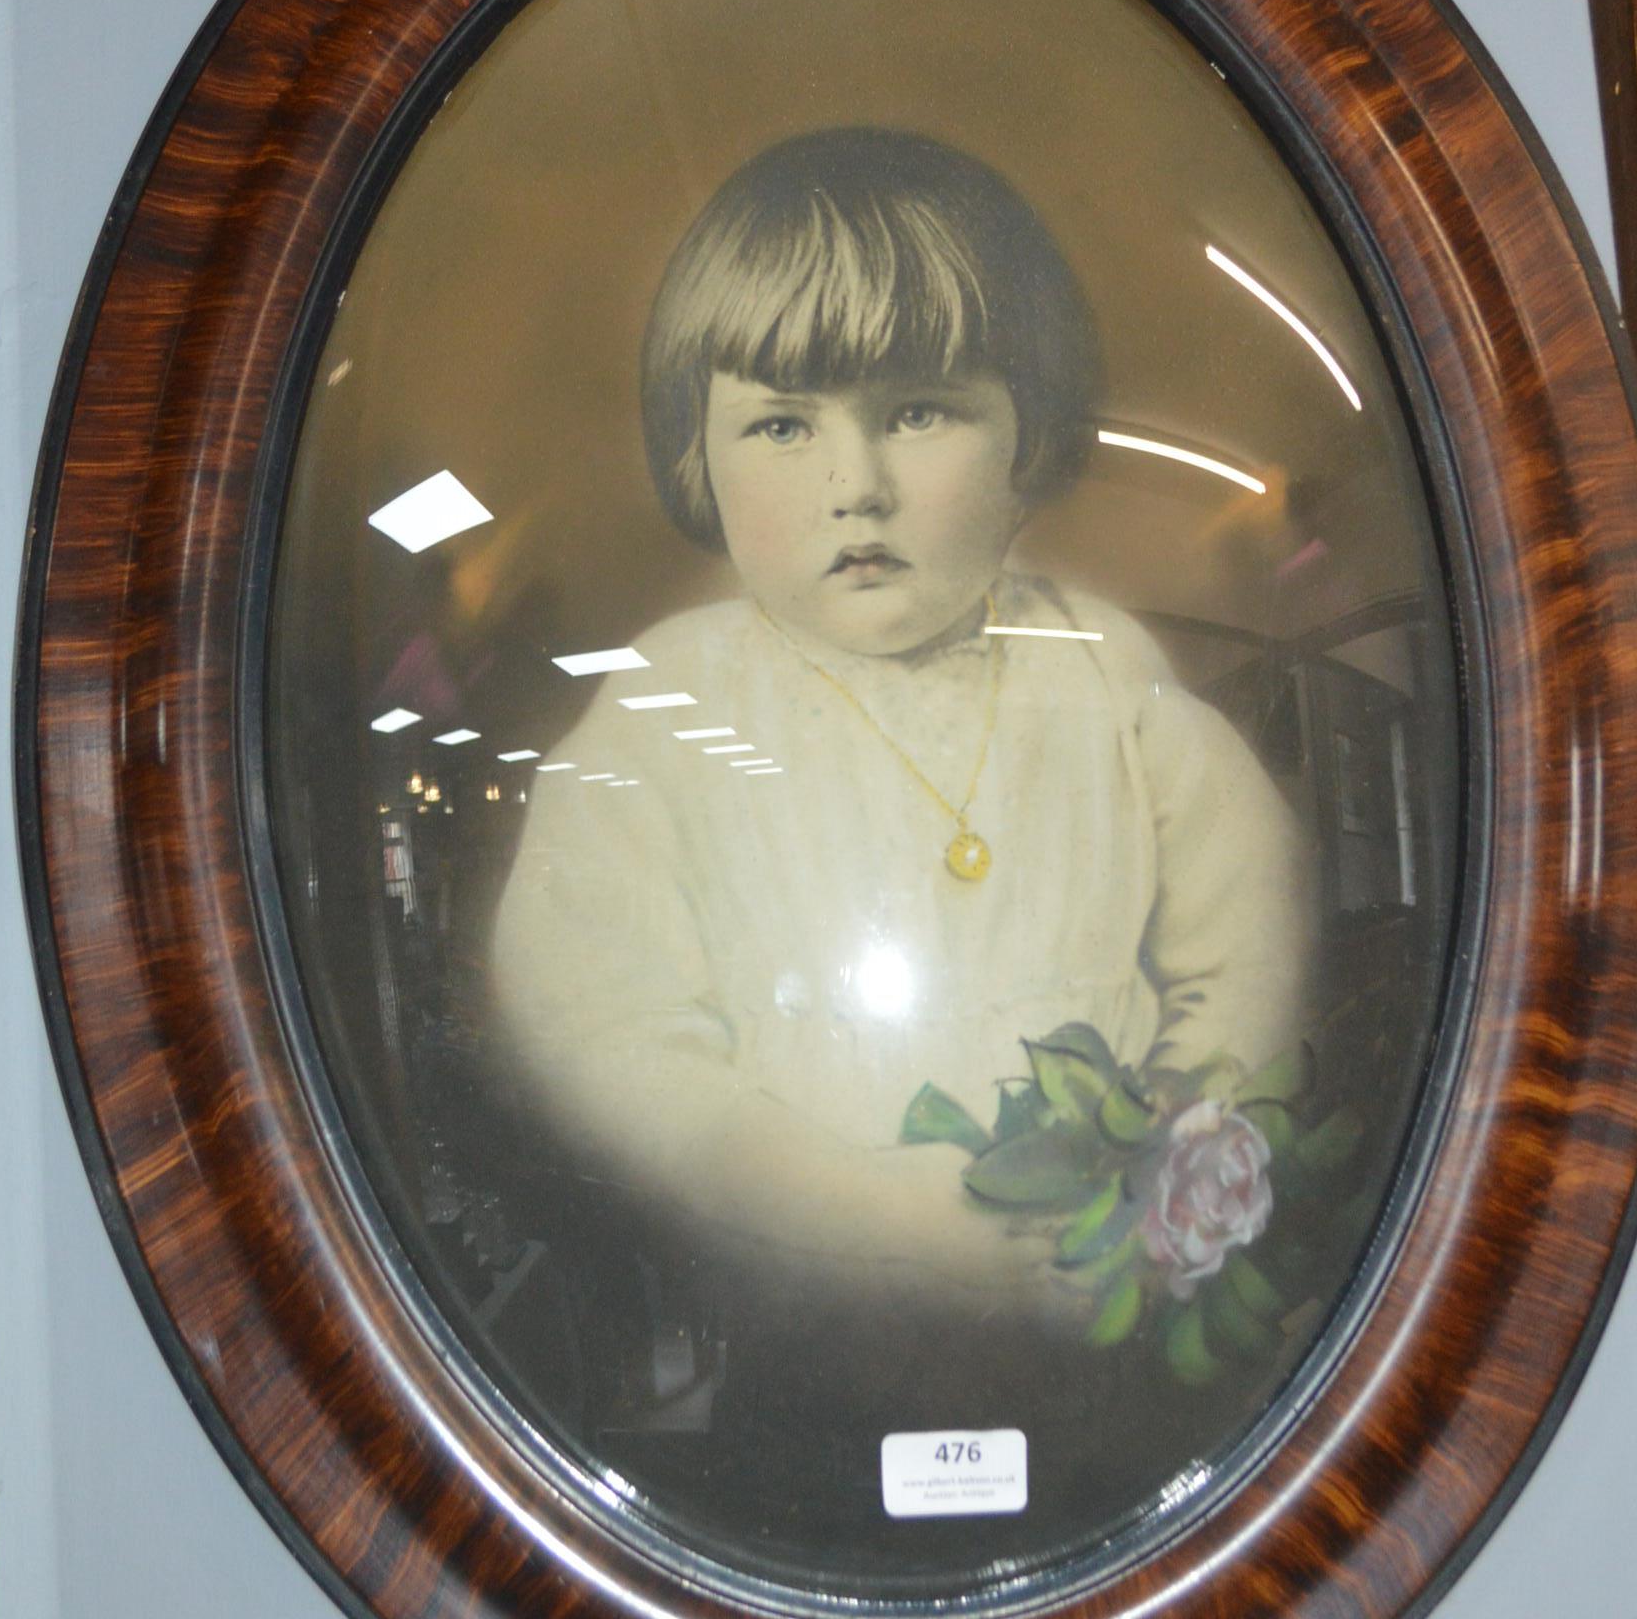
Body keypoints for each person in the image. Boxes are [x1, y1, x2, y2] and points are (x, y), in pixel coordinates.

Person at [492, 126, 1310, 1332]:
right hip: (806, 1310)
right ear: (697, 460)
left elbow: (1247, 930)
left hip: (1093, 1296)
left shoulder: (1096, 667)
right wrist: (863, 1208)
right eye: (782, 426)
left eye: (919, 412)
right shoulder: (667, 704)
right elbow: (607, 1036)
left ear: (1025, 429)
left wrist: (1163, 1141)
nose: (856, 482)